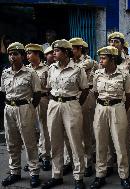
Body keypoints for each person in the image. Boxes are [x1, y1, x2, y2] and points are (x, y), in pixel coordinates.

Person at [41, 39, 88, 189]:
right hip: (54, 105)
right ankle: (57, 175)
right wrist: (55, 101)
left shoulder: (78, 69)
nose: (53, 53)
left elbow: (85, 90)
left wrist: (74, 103)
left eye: (57, 50)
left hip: (71, 104)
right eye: (53, 50)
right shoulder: (52, 68)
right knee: (55, 141)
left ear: (66, 52)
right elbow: (49, 88)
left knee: (75, 142)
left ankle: (78, 177)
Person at [90, 46, 130, 189]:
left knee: (120, 144)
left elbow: (129, 96)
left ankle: (124, 176)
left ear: (113, 59)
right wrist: (104, 104)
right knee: (101, 143)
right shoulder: (97, 74)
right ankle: (100, 175)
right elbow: (96, 92)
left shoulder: (124, 74)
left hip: (117, 108)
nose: (100, 61)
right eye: (100, 57)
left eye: (104, 58)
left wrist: (119, 108)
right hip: (101, 108)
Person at [1, 42, 41, 188]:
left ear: (22, 56)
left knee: (29, 142)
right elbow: (3, 92)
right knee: (11, 142)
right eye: (10, 54)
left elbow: (37, 94)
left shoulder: (30, 73)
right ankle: (14, 172)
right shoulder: (5, 73)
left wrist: (28, 108)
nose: (12, 57)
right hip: (9, 108)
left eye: (16, 54)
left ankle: (34, 173)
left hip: (24, 108)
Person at [107, 32, 130, 176]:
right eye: (111, 41)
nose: (113, 44)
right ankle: (109, 162)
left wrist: (128, 102)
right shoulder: (103, 59)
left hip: (125, 102)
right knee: (107, 133)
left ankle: (125, 165)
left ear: (122, 44)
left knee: (125, 134)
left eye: (116, 42)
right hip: (107, 103)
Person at [69, 37, 95, 177]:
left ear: (80, 49)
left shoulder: (88, 61)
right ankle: (72, 161)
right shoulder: (69, 61)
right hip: (71, 96)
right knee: (71, 130)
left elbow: (76, 71)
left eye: (73, 48)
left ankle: (87, 162)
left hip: (85, 94)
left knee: (86, 130)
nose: (70, 51)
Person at [25, 43, 51, 171]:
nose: (27, 56)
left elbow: (51, 88)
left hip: (42, 100)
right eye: (27, 53)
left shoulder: (46, 69)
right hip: (28, 102)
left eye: (30, 53)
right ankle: (33, 158)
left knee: (44, 129)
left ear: (37, 54)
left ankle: (46, 156)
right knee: (30, 131)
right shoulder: (26, 69)